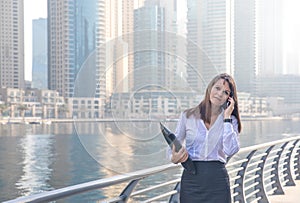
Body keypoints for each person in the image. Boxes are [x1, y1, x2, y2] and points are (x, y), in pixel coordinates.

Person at [169, 73, 241, 203]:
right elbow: (174, 146)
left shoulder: (230, 120)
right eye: (217, 88)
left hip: (218, 181)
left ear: (229, 98)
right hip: (192, 179)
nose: (219, 94)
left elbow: (231, 150)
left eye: (225, 92)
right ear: (210, 88)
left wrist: (227, 118)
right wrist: (174, 158)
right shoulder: (187, 116)